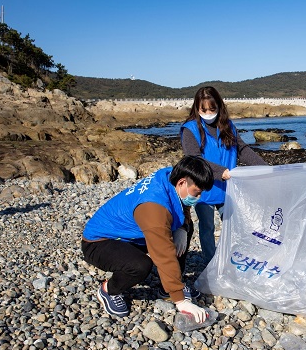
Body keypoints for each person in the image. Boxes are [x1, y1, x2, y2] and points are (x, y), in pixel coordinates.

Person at [81, 156, 214, 322]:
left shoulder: (169, 175)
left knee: (184, 229)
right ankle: (109, 290)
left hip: (129, 235)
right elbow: (163, 254)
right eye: (197, 192)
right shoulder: (153, 209)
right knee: (140, 265)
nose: (199, 198)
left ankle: (168, 288)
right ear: (181, 183)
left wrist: (182, 227)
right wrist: (181, 301)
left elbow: (182, 204)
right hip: (99, 242)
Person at [180, 86, 267, 265]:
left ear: (219, 106)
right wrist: (220, 172)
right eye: (204, 110)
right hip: (202, 187)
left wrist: (264, 168)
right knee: (207, 227)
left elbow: (242, 149)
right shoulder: (190, 130)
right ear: (197, 108)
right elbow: (193, 158)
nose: (208, 113)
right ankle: (211, 264)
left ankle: (234, 260)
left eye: (212, 109)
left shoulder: (228, 126)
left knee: (234, 225)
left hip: (228, 187)